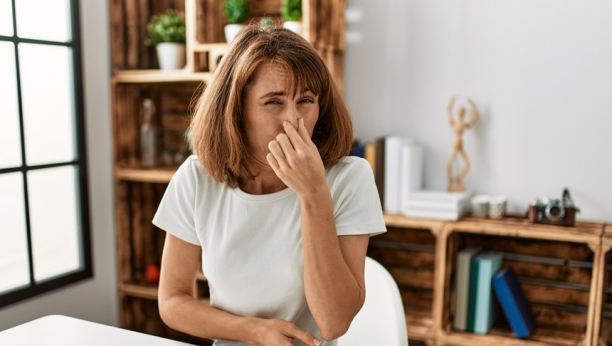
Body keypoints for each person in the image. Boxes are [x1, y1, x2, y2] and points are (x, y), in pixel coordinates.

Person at [153, 24, 386, 346]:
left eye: (306, 100)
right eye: (274, 102)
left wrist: (314, 193)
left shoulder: (350, 178)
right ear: (236, 110)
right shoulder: (196, 178)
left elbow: (333, 323)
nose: (294, 120)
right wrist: (255, 331)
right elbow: (173, 302)